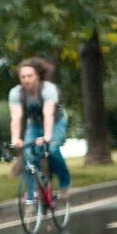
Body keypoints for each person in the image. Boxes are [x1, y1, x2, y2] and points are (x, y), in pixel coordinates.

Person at [9, 57, 71, 201]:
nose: (26, 80)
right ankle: (32, 196)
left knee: (53, 150)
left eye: (30, 76)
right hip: (35, 124)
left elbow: (48, 113)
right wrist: (15, 138)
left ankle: (65, 183)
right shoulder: (15, 93)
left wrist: (47, 137)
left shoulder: (48, 89)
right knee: (29, 156)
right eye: (23, 77)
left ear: (37, 76)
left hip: (56, 122)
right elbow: (16, 117)